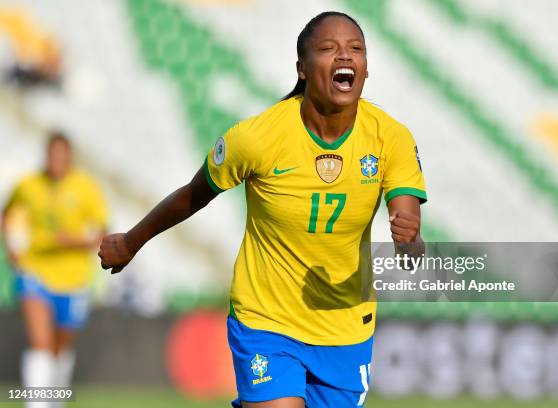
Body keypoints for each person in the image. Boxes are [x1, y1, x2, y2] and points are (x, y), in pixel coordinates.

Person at [98, 11, 426, 408]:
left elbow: (408, 232)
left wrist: (409, 244)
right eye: (329, 48)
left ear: (366, 68)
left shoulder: (391, 137)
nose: (345, 56)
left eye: (355, 49)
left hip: (345, 329)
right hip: (266, 319)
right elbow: (192, 195)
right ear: (302, 69)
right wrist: (132, 241)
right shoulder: (257, 138)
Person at [2, 132, 107, 408]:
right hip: (35, 271)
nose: (57, 161)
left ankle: (54, 400)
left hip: (74, 279)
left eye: (62, 155)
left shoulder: (86, 188)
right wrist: (12, 247)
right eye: (52, 155)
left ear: (70, 158)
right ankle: (37, 404)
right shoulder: (28, 185)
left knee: (60, 349)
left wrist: (74, 241)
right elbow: (8, 212)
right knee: (40, 344)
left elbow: (102, 232)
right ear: (46, 155)